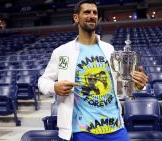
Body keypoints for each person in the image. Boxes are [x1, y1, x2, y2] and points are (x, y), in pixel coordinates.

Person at [38, 0, 148, 141]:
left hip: (116, 127)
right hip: (83, 131)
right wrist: (54, 87)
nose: (92, 15)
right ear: (76, 17)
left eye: (95, 13)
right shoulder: (62, 52)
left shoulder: (109, 49)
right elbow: (43, 80)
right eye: (87, 12)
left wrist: (137, 84)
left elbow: (117, 85)